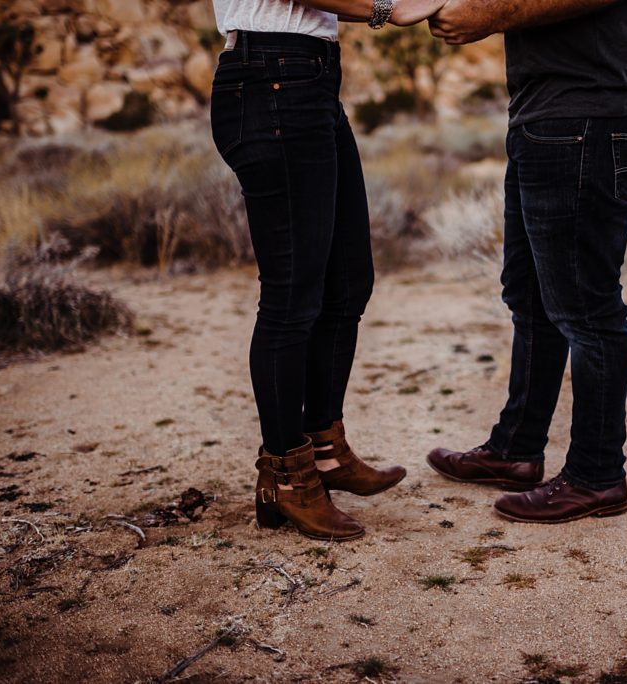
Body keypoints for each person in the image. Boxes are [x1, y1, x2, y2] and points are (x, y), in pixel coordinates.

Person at [209, 0, 445, 541]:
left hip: (307, 80)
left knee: (347, 283)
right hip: (272, 79)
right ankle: (287, 477)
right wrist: (386, 10)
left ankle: (325, 450)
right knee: (291, 297)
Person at [425, 0, 627, 523]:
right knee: (531, 297)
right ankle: (515, 449)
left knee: (587, 310)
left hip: (588, 121)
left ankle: (597, 476)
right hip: (550, 123)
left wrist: (488, 15)